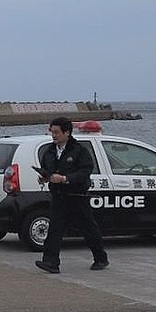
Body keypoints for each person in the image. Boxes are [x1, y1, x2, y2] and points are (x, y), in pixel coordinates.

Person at [35, 116, 109, 273]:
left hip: (77, 196)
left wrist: (65, 178)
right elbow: (46, 170)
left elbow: (85, 171)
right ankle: (51, 262)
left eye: (57, 132)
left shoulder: (79, 151)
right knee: (54, 230)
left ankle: (101, 258)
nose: (53, 135)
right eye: (52, 132)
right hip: (58, 197)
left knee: (89, 229)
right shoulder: (49, 152)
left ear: (67, 132)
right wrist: (44, 177)